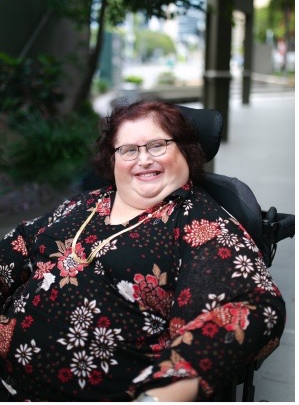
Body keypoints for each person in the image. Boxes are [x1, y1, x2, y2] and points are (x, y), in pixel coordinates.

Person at [0, 100, 285, 402]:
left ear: (185, 151)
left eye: (157, 145)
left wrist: (162, 396)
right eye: (129, 150)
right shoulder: (83, 203)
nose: (144, 159)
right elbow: (19, 244)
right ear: (112, 160)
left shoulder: (201, 225)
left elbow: (251, 307)